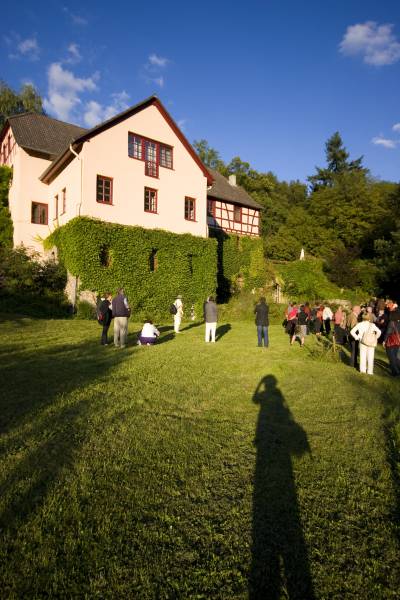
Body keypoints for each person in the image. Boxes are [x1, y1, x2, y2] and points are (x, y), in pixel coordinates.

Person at [382, 310, 400, 377]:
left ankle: (395, 372)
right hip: (397, 342)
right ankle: (397, 370)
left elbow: (388, 332)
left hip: (391, 342)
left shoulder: (391, 323)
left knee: (391, 358)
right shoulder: (398, 323)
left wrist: (384, 341)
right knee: (395, 357)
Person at [347, 305, 361, 369]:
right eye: (359, 309)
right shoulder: (354, 317)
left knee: (353, 350)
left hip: (349, 334)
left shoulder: (350, 315)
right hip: (353, 335)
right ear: (356, 310)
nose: (360, 311)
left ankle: (353, 363)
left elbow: (347, 324)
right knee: (354, 350)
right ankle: (353, 364)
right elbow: (353, 326)